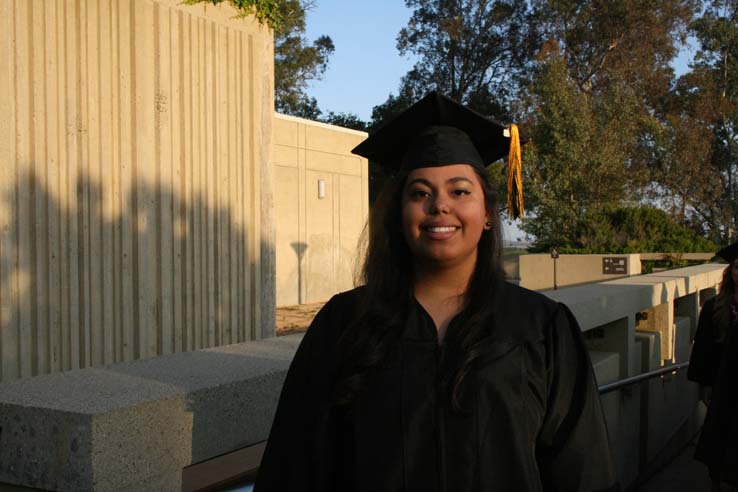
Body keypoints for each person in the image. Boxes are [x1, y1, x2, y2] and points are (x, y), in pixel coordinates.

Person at [254, 92, 618, 492]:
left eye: (460, 192)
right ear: (400, 214)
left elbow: (583, 471)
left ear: (487, 217)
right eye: (419, 193)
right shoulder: (345, 323)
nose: (439, 206)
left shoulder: (542, 327)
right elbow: (293, 468)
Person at [688, 242, 738, 492]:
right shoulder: (715, 307)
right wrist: (704, 385)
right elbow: (704, 349)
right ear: (731, 272)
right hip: (723, 385)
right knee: (719, 443)